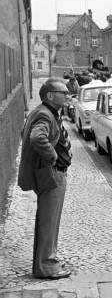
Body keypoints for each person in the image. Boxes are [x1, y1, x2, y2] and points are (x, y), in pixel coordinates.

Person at [17, 78, 73, 279]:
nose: (67, 95)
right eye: (63, 92)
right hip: (52, 174)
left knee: (48, 220)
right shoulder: (45, 114)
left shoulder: (44, 111)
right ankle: (46, 266)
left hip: (51, 173)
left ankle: (48, 260)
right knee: (49, 222)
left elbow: (25, 132)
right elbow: (35, 137)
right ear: (50, 95)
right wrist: (52, 156)